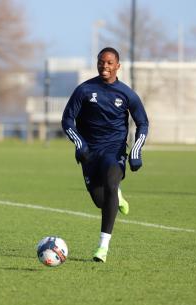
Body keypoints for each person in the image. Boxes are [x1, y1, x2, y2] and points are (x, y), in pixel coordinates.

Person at [61, 47, 149, 263]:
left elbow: (143, 123)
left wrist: (135, 151)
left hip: (114, 150)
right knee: (101, 201)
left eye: (110, 63)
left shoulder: (127, 94)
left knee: (111, 182)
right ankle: (116, 194)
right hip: (89, 153)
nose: (105, 66)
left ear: (118, 66)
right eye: (101, 62)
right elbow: (67, 120)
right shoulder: (84, 90)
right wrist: (80, 143)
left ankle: (102, 247)